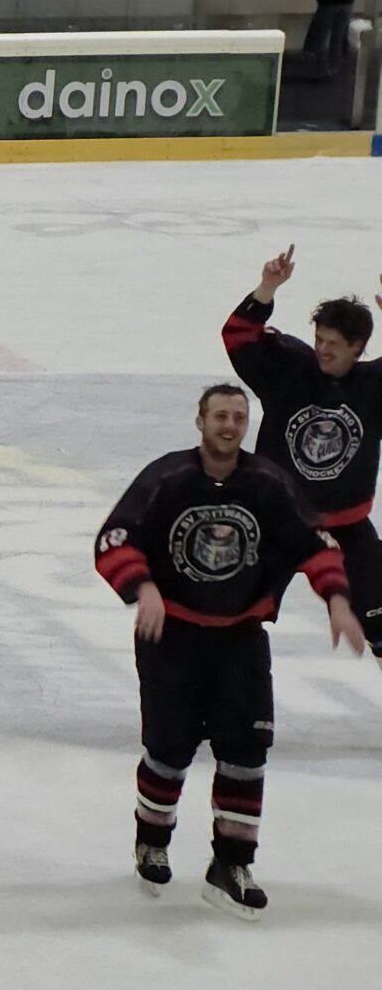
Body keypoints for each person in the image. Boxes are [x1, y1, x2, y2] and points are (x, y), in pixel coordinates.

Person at [93, 385, 359, 919]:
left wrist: (336, 598)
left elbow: (316, 542)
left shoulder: (267, 481)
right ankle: (153, 839)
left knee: (246, 752)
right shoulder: (167, 477)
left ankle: (231, 863)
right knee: (168, 751)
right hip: (172, 638)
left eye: (239, 417)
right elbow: (114, 539)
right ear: (200, 421)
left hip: (240, 638)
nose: (230, 425)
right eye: (220, 415)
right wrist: (143, 589)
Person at [222, 247, 382, 664]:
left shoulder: (374, 386)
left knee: (381, 614)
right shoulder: (289, 368)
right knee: (227, 609)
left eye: (333, 344)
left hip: (348, 525)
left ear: (358, 347)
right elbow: (238, 336)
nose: (322, 350)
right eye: (319, 340)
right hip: (279, 520)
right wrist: (267, 287)